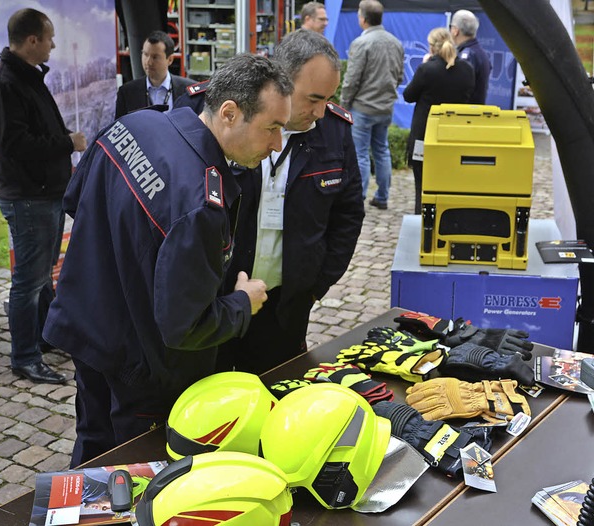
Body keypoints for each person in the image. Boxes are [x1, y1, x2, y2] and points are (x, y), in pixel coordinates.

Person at [42, 53, 293, 467]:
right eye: (272, 128)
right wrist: (243, 303)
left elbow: (77, 203)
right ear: (229, 113)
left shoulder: (133, 125)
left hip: (88, 330)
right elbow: (185, 327)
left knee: (90, 449)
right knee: (133, 475)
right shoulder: (201, 200)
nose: (276, 145)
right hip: (140, 371)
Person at [183, 30, 363, 374]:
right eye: (313, 98)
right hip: (216, 301)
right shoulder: (219, 113)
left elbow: (348, 212)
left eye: (328, 99)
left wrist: (315, 284)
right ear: (279, 79)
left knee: (277, 394)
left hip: (285, 304)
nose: (321, 111)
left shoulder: (335, 132)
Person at [0, 8, 87, 385]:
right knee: (29, 281)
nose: (53, 44)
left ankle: (44, 338)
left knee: (43, 278)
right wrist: (66, 143)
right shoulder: (4, 83)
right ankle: (24, 356)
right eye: (49, 38)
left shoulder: (24, 77)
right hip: (28, 197)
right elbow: (14, 144)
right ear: (31, 41)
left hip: (43, 193)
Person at [403, 27, 474, 214]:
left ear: (431, 47)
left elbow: (408, 95)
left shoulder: (427, 69)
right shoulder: (467, 69)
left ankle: (422, 220)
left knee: (422, 184)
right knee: (449, 183)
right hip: (454, 135)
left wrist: (426, 63)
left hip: (424, 136)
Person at [340, 0, 403, 210]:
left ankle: (359, 199)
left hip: (363, 108)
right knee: (382, 151)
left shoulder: (361, 43)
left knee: (360, 154)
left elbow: (352, 79)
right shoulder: (396, 42)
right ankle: (383, 197)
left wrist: (344, 104)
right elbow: (400, 76)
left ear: (363, 19)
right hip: (385, 107)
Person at [114, 30, 195, 118]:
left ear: (170, 59)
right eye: (145, 54)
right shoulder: (127, 92)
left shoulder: (189, 90)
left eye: (155, 57)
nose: (148, 62)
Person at [450, 9, 492, 104]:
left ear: (456, 31)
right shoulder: (481, 53)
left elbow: (459, 87)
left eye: (451, 27)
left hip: (465, 114)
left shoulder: (467, 55)